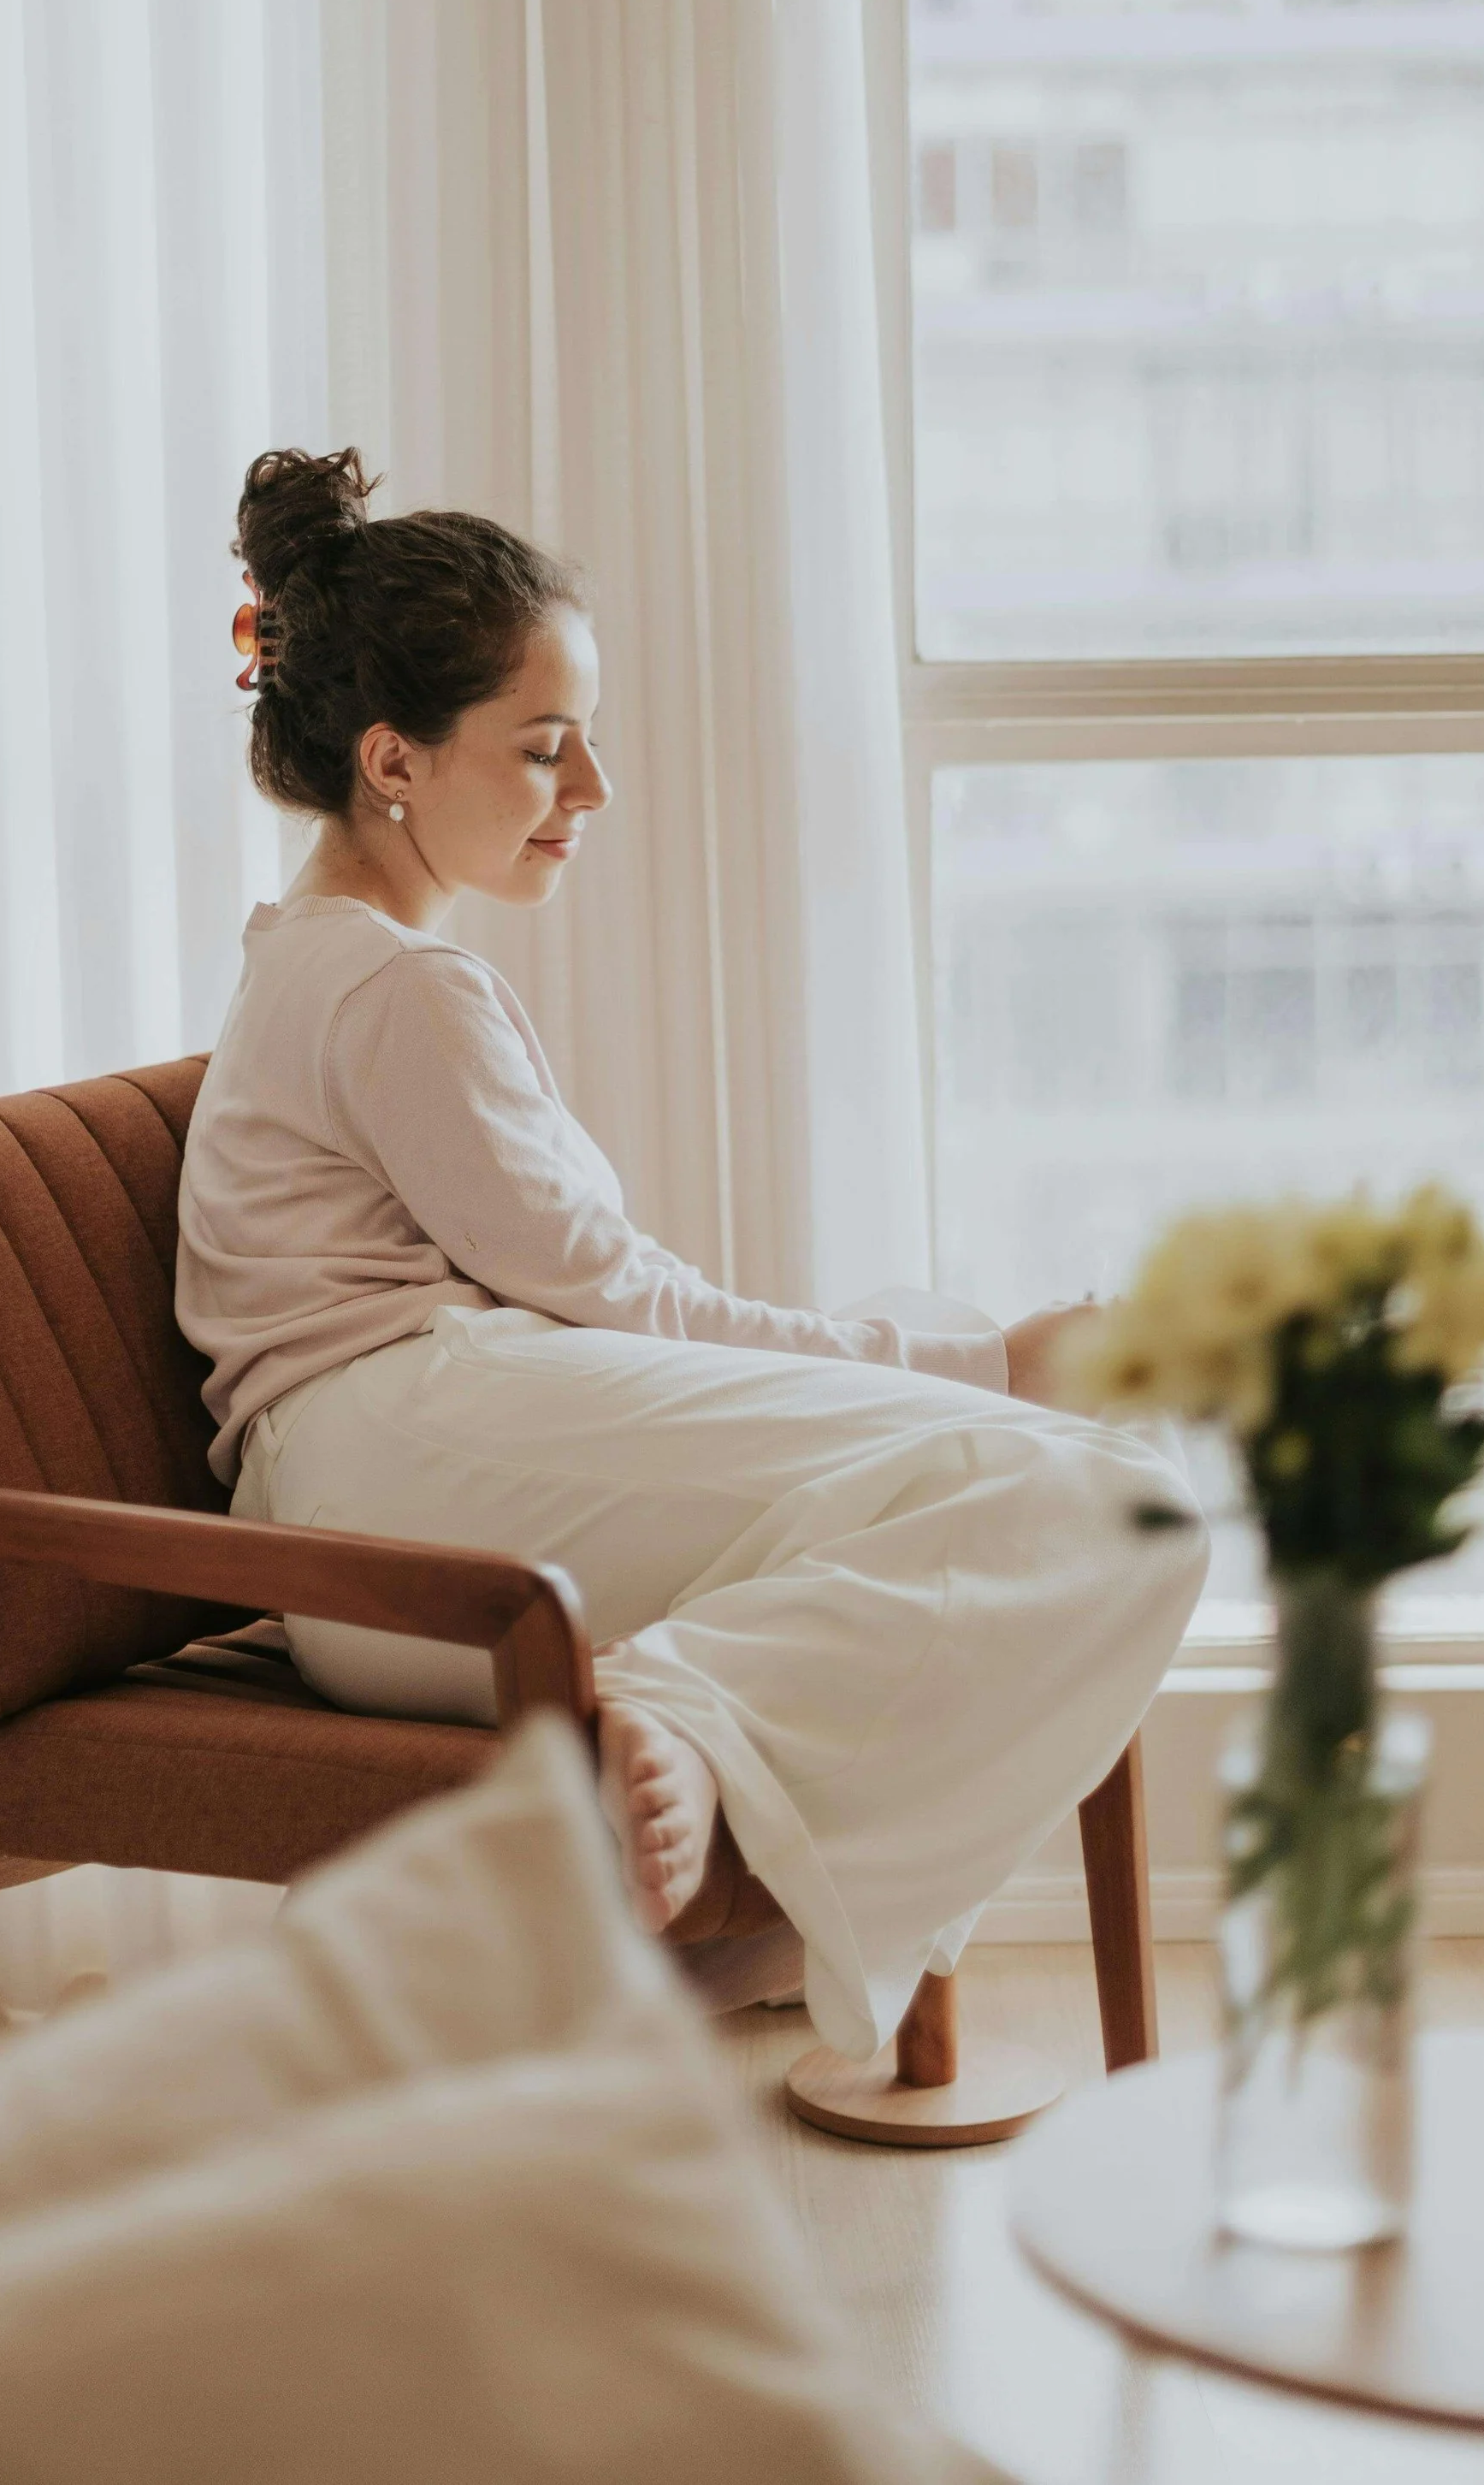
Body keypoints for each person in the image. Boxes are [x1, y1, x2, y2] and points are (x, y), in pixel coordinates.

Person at [175, 447, 1207, 2062]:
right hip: (410, 1504)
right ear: (393, 758)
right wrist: (998, 1365)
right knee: (1114, 1497)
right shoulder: (396, 991)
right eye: (543, 748)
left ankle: (685, 1881)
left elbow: (598, 1299)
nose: (590, 790)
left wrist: (958, 1356)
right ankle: (684, 1719)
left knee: (978, 1396)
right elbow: (625, 1295)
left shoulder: (313, 961)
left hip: (395, 1481)